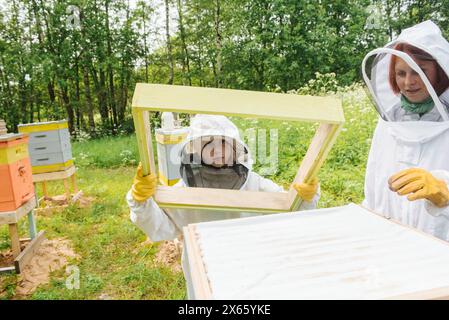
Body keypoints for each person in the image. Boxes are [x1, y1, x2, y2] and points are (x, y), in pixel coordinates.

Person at [127, 114, 320, 242]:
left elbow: (290, 213)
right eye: (208, 143)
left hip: (249, 262)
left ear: (236, 148)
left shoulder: (253, 183)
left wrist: (305, 197)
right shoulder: (183, 190)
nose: (218, 150)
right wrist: (140, 201)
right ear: (194, 148)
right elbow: (162, 229)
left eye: (224, 143)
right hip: (201, 265)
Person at [361, 20, 449, 241]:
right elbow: (373, 184)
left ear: (439, 72)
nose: (408, 82)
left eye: (418, 72)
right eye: (401, 73)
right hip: (388, 244)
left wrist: (444, 193)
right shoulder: (389, 122)